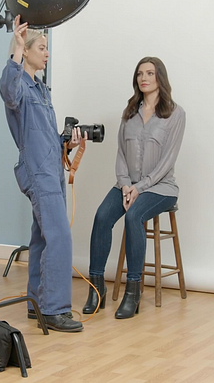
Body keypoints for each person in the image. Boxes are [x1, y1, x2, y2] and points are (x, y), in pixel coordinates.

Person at [83, 56, 186, 319]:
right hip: (127, 185)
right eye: (140, 74)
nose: (144, 78)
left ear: (160, 78)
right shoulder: (129, 113)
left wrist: (140, 187)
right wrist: (127, 185)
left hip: (160, 188)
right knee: (102, 216)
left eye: (150, 73)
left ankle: (133, 292)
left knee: (133, 216)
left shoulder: (176, 114)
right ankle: (96, 289)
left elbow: (167, 162)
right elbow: (120, 154)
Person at [0, 15, 84, 332]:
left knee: (41, 238)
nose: (47, 53)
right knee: (59, 236)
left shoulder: (41, 90)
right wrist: (16, 51)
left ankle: (37, 302)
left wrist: (67, 142)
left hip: (52, 170)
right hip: (38, 172)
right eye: (42, 47)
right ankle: (54, 309)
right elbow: (7, 92)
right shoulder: (18, 83)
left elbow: (43, 134)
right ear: (27, 49)